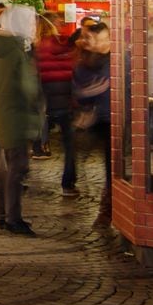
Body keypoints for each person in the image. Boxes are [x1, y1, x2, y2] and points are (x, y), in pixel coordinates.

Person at [0, 4, 44, 236]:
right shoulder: (15, 50)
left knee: (3, 167)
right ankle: (13, 217)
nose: (32, 27)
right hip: (16, 113)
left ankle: (3, 214)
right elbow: (27, 87)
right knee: (17, 166)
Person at [72, 21, 114, 227]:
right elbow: (80, 91)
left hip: (114, 120)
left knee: (113, 167)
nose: (105, 43)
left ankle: (108, 210)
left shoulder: (116, 59)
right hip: (100, 120)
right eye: (101, 39)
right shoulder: (85, 63)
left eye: (106, 38)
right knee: (110, 167)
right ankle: (107, 210)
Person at [35, 16, 75, 181]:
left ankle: (40, 147)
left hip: (44, 96)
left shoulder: (34, 49)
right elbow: (72, 68)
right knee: (69, 142)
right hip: (64, 97)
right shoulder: (61, 45)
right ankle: (68, 181)